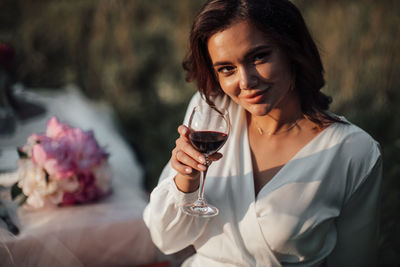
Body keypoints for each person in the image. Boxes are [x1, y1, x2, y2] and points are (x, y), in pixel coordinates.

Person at [143, 0, 382, 266]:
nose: (245, 82)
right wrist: (186, 181)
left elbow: (355, 259)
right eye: (226, 69)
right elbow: (164, 238)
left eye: (258, 57)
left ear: (292, 50)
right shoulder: (210, 110)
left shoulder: (353, 151)